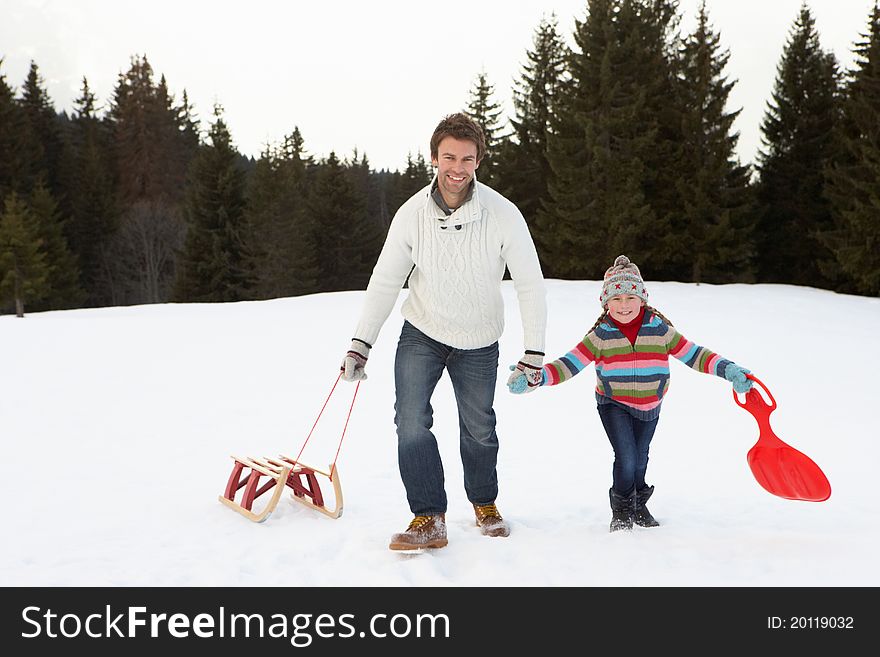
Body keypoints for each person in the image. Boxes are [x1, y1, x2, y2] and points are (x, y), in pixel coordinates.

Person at [340, 113, 547, 551]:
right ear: (434, 157)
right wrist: (361, 343)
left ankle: (484, 503)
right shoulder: (411, 214)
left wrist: (534, 352)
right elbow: (385, 279)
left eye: (467, 159)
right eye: (449, 156)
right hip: (423, 332)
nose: (457, 167)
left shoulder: (502, 214)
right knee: (411, 421)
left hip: (478, 339)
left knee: (478, 429)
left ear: (478, 162)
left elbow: (529, 282)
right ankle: (428, 517)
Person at [508, 255, 753, 532]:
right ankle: (622, 509)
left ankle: (638, 505)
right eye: (616, 299)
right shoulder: (601, 335)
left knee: (641, 456)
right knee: (626, 456)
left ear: (642, 299)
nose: (624, 305)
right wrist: (536, 378)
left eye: (630, 298)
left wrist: (728, 370)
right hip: (614, 403)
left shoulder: (659, 329)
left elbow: (695, 355)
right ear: (606, 302)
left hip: (651, 405)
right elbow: (570, 364)